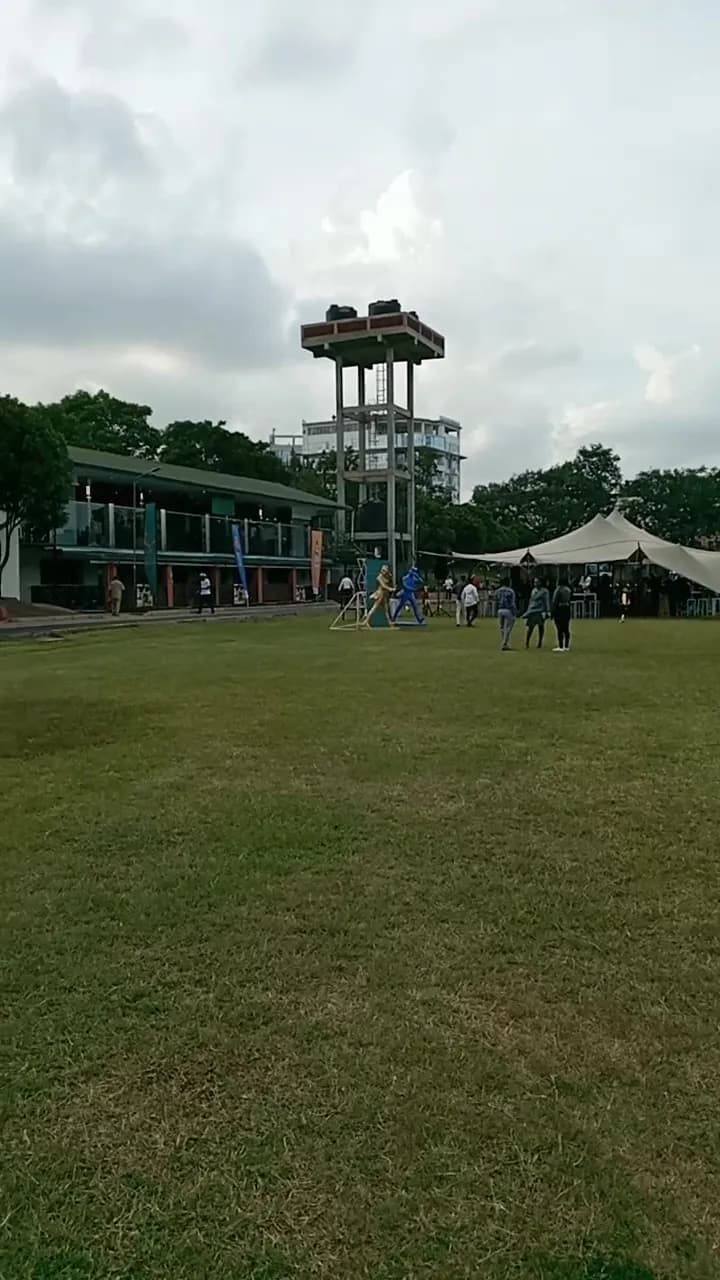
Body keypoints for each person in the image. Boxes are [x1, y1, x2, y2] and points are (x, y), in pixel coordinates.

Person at [524, 578, 551, 649]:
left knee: (541, 627)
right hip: (532, 610)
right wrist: (528, 611)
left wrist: (548, 611)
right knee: (530, 627)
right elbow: (531, 601)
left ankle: (540, 642)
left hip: (540, 610)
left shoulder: (544, 591)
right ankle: (527, 642)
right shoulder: (533, 590)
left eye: (537, 582)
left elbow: (547, 600)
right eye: (535, 582)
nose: (535, 584)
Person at [495, 578, 517, 650]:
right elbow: (512, 603)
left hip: (500, 609)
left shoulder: (498, 591)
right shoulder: (511, 591)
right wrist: (514, 612)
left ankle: (504, 642)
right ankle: (504, 643)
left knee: (502, 627)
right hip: (508, 610)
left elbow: (496, 601)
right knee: (508, 628)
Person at [552, 579, 572, 650]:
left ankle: (560, 646)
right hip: (567, 608)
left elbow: (555, 601)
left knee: (559, 628)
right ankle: (566, 646)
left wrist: (552, 612)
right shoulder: (568, 590)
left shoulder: (558, 590)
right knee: (566, 627)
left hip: (559, 609)